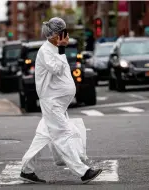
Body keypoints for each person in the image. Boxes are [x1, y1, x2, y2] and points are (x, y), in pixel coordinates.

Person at [19, 17, 102, 184]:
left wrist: (61, 49)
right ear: (56, 35)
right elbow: (56, 69)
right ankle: (83, 172)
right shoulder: (45, 50)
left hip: (57, 103)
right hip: (52, 103)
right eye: (63, 32)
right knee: (63, 135)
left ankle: (26, 170)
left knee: (44, 135)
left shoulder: (54, 49)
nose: (66, 35)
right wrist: (63, 49)